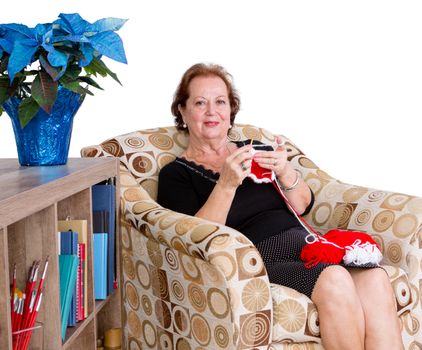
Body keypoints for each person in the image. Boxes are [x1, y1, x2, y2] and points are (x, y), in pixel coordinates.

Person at [157, 63, 403, 350]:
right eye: (200, 102)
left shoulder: (255, 148)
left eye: (220, 101)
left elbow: (303, 204)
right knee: (335, 279)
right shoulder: (176, 174)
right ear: (183, 112)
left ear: (231, 111)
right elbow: (195, 237)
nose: (212, 111)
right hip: (259, 256)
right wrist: (226, 184)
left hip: (305, 242)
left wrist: (286, 171)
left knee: (375, 279)